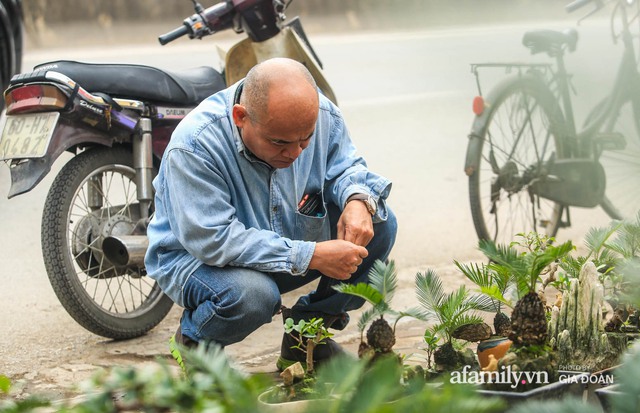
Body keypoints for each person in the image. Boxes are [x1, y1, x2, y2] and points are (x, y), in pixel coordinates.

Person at [145, 57, 397, 371]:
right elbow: (213, 240)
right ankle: (196, 344)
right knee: (253, 296)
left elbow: (345, 167)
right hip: (199, 260)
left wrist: (357, 199)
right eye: (279, 142)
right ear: (241, 117)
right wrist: (309, 254)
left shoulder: (322, 115)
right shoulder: (195, 145)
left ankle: (305, 339)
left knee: (378, 223)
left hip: (282, 238)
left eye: (305, 140)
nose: (294, 153)